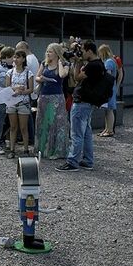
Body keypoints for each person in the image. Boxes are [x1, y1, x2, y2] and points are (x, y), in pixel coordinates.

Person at [56, 40, 102, 172]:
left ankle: (72, 162)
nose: (80, 53)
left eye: (82, 50)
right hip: (88, 103)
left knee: (76, 133)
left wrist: (76, 62)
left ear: (89, 51)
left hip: (82, 102)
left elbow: (76, 77)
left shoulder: (92, 66)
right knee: (86, 132)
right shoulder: (98, 64)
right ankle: (88, 160)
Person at [35, 43, 70, 159]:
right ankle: (43, 149)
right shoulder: (44, 64)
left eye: (50, 52)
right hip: (44, 96)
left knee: (57, 124)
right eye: (47, 51)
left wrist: (60, 63)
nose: (48, 54)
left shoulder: (65, 64)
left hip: (57, 97)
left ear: (56, 53)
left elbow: (62, 75)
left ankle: (57, 151)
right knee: (44, 122)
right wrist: (41, 79)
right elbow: (37, 77)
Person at [5, 50, 34, 157]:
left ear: (23, 59)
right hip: (12, 103)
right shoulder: (9, 73)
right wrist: (16, 89)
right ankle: (12, 150)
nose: (15, 60)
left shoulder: (28, 73)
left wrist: (21, 91)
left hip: (24, 103)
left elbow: (31, 89)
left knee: (23, 127)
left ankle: (26, 150)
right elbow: (7, 87)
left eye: (18, 57)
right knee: (13, 127)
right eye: (14, 58)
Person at [16, 40, 39, 145]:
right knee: (30, 116)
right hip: (33, 91)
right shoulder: (34, 58)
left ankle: (29, 138)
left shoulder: (28, 60)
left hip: (28, 92)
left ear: (24, 48)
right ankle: (30, 138)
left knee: (28, 117)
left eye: (18, 49)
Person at [96, 44, 119, 137]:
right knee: (107, 110)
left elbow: (107, 76)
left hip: (108, 88)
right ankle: (107, 128)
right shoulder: (111, 61)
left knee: (109, 110)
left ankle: (110, 130)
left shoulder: (108, 62)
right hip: (110, 87)